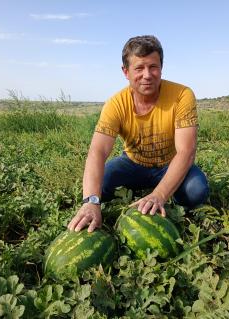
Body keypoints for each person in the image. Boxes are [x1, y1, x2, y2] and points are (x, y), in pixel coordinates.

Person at [68, 35, 209, 232]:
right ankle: (139, 190)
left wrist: (159, 194)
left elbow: (186, 151)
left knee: (196, 191)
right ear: (125, 72)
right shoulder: (115, 104)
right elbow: (97, 151)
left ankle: (165, 192)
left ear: (161, 67)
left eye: (153, 67)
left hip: (170, 163)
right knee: (100, 186)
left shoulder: (182, 95)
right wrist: (91, 202)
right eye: (139, 68)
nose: (147, 75)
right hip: (133, 163)